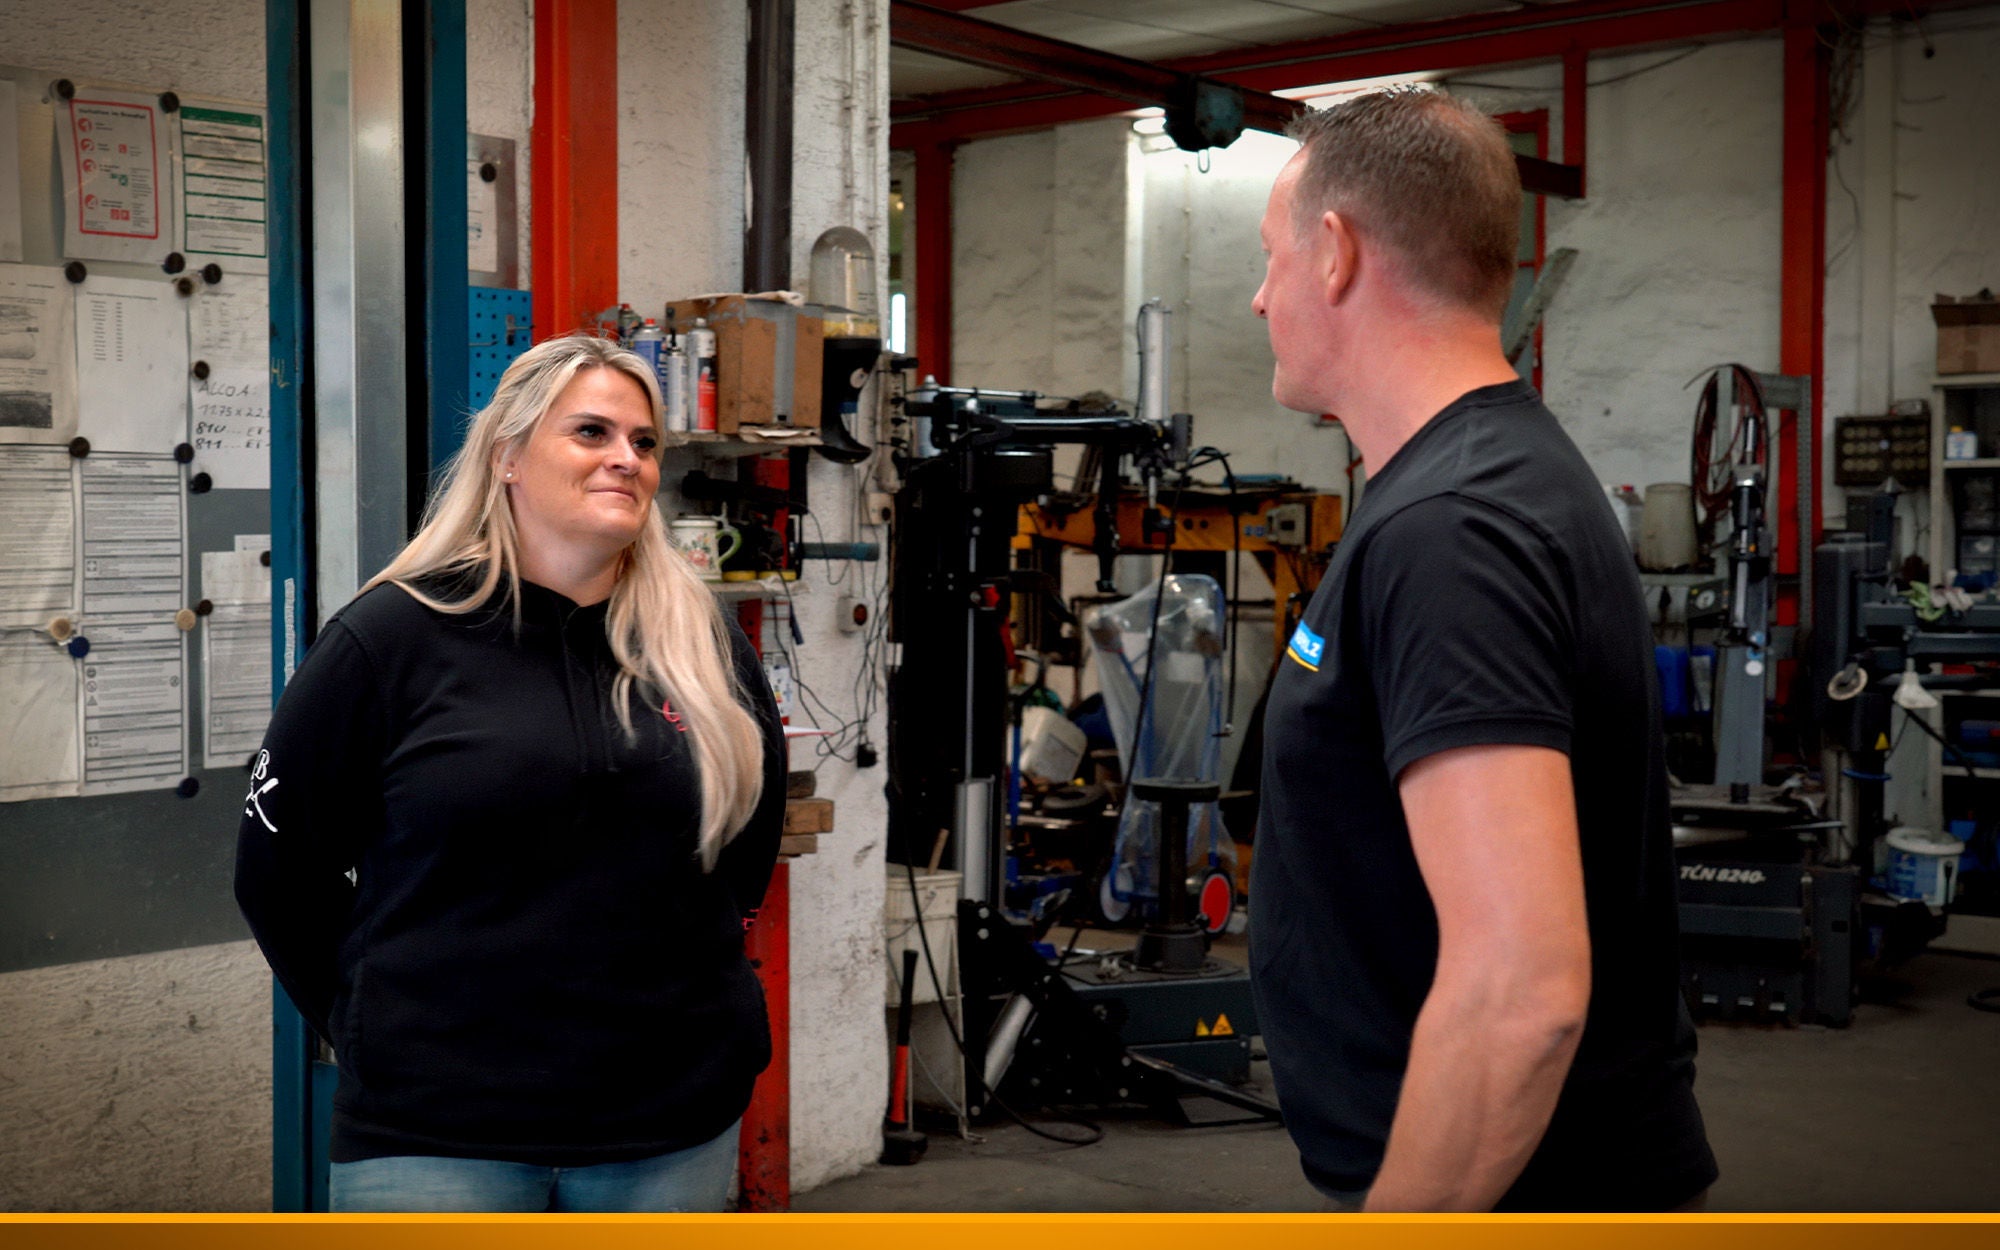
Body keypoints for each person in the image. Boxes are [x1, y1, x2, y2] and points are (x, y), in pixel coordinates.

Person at [1245, 88, 1718, 1212]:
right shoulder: (1484, 479)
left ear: (1333, 253)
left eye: (1267, 259)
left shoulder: (1451, 527)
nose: (1256, 296)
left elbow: (1519, 989)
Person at [235, 333, 787, 1212]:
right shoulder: (390, 640)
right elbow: (276, 869)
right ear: (509, 460)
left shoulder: (703, 645)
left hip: (668, 1126)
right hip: (439, 1135)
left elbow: (747, 845)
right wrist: (371, 1025)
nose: (625, 460)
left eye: (643, 443)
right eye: (592, 433)